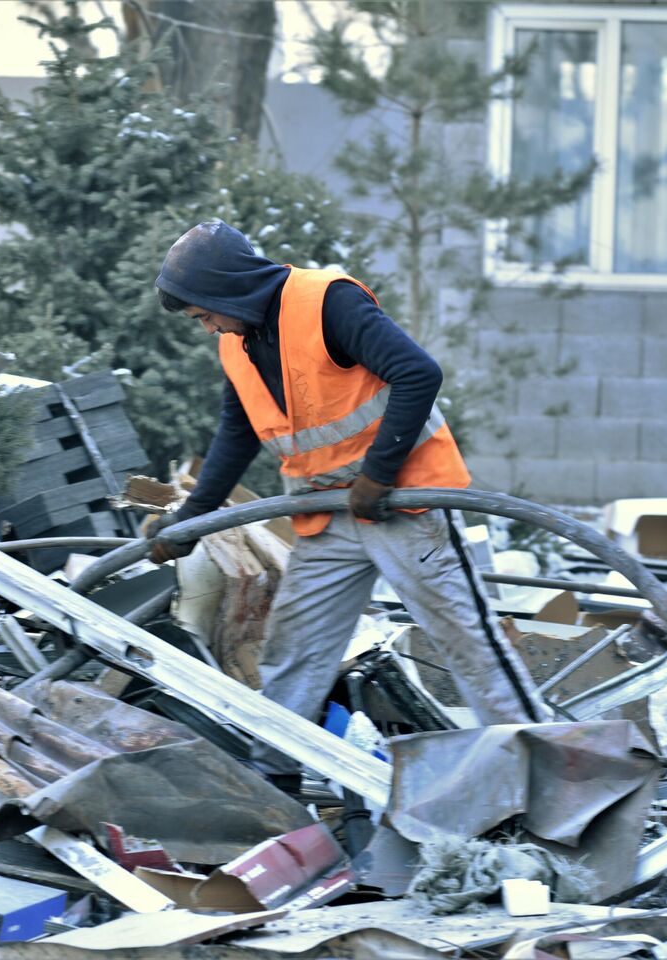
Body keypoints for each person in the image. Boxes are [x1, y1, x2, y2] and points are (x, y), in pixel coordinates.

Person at [148, 220, 546, 781]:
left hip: (403, 504)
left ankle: (543, 774)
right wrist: (190, 520)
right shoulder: (236, 346)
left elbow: (417, 373)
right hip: (324, 515)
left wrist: (380, 475)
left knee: (467, 643)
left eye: (204, 313)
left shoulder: (326, 302)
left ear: (225, 289)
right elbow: (237, 435)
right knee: (294, 652)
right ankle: (275, 780)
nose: (207, 325)